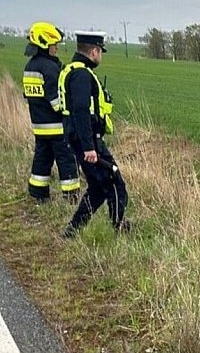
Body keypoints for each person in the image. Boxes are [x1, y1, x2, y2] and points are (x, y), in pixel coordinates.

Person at [58, 31, 129, 238]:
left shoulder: (70, 70)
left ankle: (71, 232)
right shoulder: (81, 75)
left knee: (98, 187)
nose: (101, 56)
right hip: (87, 141)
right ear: (94, 51)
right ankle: (119, 228)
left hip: (79, 138)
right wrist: (89, 147)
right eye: (100, 52)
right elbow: (81, 110)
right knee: (115, 182)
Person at [22, 22, 80, 203]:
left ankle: (38, 194)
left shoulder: (30, 66)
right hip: (56, 127)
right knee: (67, 160)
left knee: (42, 159)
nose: (56, 49)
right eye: (54, 45)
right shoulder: (49, 68)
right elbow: (57, 102)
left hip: (39, 126)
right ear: (45, 44)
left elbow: (29, 96)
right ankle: (71, 197)